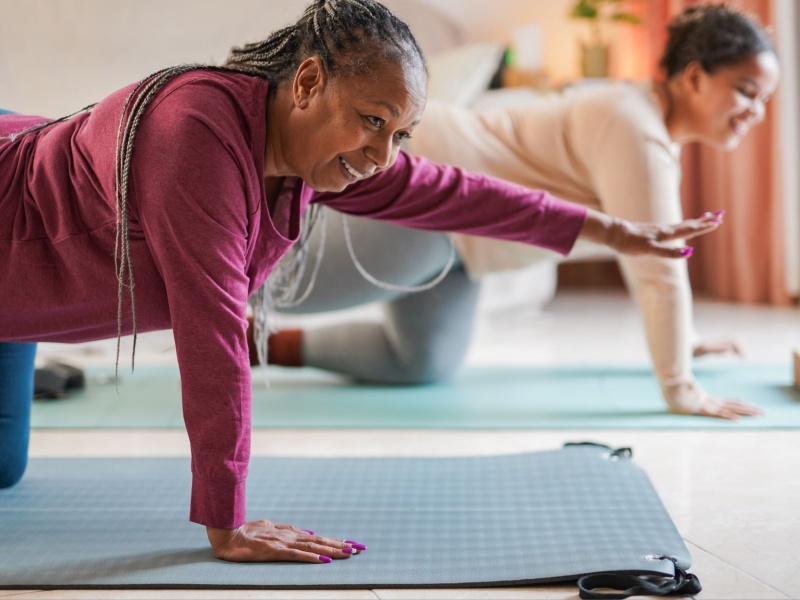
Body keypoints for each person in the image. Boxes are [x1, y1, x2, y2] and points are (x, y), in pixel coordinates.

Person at [1, 0, 719, 564]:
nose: (382, 155)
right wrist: (226, 521)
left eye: (399, 133)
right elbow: (214, 333)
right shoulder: (195, 133)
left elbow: (456, 192)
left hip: (25, 297)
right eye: (373, 122)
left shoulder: (311, 156)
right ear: (309, 81)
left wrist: (613, 229)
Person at [261, 3, 779, 421]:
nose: (755, 111)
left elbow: (646, 252)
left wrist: (686, 342)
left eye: (764, 99)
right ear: (694, 78)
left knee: (421, 360)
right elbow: (657, 266)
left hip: (471, 244)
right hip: (435, 192)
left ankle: (258, 343)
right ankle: (218, 303)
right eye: (745, 91)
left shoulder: (647, 128)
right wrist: (681, 390)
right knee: (267, 283)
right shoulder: (633, 125)